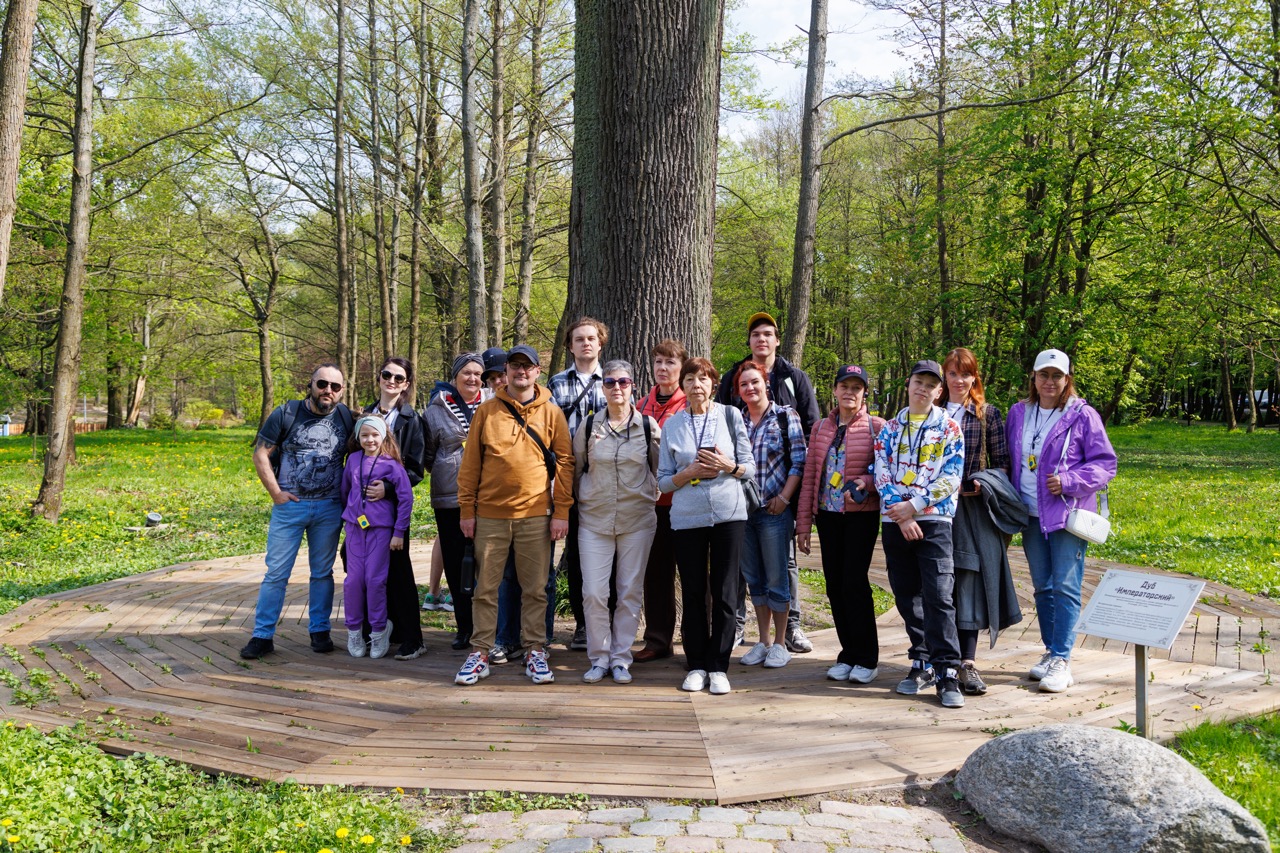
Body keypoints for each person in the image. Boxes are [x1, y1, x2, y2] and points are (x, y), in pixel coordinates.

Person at [455, 344, 574, 686]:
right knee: (485, 589)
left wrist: (561, 511)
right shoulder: (487, 412)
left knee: (536, 589)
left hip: (537, 515)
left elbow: (565, 462)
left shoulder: (551, 413)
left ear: (538, 372)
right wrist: (468, 509)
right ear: (505, 372)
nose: (521, 372)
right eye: (515, 367)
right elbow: (471, 464)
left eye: (528, 367)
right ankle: (480, 652)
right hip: (490, 516)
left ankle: (536, 649)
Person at [1007, 348, 1116, 694]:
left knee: (1066, 586)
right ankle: (1051, 650)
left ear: (1067, 379)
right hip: (1029, 514)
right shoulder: (1019, 414)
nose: (1049, 382)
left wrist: (1069, 481)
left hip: (1065, 515)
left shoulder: (1082, 415)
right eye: (1044, 375)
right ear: (1034, 378)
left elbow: (1104, 464)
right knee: (1042, 586)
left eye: (1057, 376)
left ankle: (1062, 660)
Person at [717, 312, 819, 653]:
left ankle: (790, 629)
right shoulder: (733, 378)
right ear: (749, 342)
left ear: (776, 340)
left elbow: (811, 430)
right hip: (741, 499)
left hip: (781, 493)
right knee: (746, 568)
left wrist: (792, 495)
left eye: (768, 334)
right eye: (755, 334)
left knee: (783, 565)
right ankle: (744, 630)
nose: (761, 339)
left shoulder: (793, 379)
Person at [241, 363, 354, 659]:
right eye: (322, 384)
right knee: (276, 573)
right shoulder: (285, 413)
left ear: (342, 391)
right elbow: (260, 454)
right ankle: (262, 635)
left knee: (322, 573)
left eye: (335, 386)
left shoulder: (344, 416)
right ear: (311, 385)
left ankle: (319, 630)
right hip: (290, 507)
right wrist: (276, 493)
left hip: (329, 507)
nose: (328, 390)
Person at [658, 357, 754, 696]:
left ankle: (719, 665)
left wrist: (727, 465)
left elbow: (749, 468)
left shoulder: (730, 415)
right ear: (681, 386)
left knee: (727, 593)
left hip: (729, 516)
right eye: (690, 379)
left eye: (703, 378)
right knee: (695, 592)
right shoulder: (671, 425)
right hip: (687, 519)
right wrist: (690, 473)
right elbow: (664, 483)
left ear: (713, 383)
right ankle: (697, 664)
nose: (696, 384)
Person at [874, 359, 966, 709]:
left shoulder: (949, 428)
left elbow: (951, 476)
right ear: (908, 384)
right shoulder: (890, 428)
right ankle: (922, 661)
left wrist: (915, 506)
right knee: (906, 593)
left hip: (935, 520)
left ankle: (947, 671)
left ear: (939, 391)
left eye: (931, 384)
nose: (923, 389)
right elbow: (881, 471)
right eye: (918, 382)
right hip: (895, 520)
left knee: (939, 595)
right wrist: (900, 513)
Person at [940, 347, 1023, 694]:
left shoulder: (986, 414)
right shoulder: (929, 413)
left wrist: (980, 481)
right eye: (953, 373)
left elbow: (1002, 462)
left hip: (971, 509)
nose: (959, 380)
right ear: (944, 376)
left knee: (969, 578)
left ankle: (967, 662)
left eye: (966, 374)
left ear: (975, 377)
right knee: (937, 581)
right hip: (932, 510)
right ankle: (936, 658)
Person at [796, 364, 885, 684]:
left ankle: (867, 657)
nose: (850, 392)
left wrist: (866, 481)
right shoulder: (821, 428)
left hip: (861, 516)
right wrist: (804, 524)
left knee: (854, 582)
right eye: (844, 386)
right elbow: (810, 478)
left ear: (864, 394)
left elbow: (886, 471)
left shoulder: (877, 426)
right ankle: (847, 654)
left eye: (856, 387)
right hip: (828, 516)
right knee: (834, 585)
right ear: (834, 390)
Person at [573, 360, 661, 684]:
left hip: (637, 520)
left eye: (623, 382)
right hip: (594, 521)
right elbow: (577, 468)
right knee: (594, 593)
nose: (617, 388)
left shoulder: (649, 427)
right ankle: (599, 658)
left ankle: (621, 658)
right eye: (610, 383)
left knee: (629, 592)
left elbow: (659, 469)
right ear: (603, 387)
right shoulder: (587, 427)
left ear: (633, 386)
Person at [735, 361, 806, 669]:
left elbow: (799, 462)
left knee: (778, 577)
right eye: (743, 385)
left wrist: (785, 497)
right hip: (742, 512)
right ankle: (763, 642)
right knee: (755, 578)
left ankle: (780, 643)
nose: (750, 388)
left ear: (766, 383)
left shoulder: (784, 416)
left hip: (774, 510)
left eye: (754, 382)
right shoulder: (735, 420)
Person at [548, 317, 610, 651]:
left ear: (600, 343)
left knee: (604, 551)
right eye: (579, 339)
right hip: (567, 478)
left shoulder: (614, 381)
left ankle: (606, 621)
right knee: (574, 555)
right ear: (570, 346)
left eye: (591, 338)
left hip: (605, 480)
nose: (586, 344)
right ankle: (583, 626)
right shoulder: (556, 383)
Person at [360, 357, 428, 660]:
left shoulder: (412, 420)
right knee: (360, 565)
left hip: (393, 510)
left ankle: (412, 636)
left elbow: (416, 468)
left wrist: (387, 488)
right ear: (379, 377)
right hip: (362, 512)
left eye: (399, 378)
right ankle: (379, 627)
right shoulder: (364, 414)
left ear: (407, 384)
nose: (391, 381)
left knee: (399, 570)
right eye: (387, 375)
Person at [422, 353, 486, 651]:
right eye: (466, 373)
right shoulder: (435, 409)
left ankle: (488, 626)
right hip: (449, 497)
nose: (472, 379)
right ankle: (464, 626)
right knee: (455, 561)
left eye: (477, 373)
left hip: (488, 497)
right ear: (455, 376)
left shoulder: (493, 403)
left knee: (487, 564)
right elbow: (428, 453)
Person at [633, 339, 689, 663]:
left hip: (683, 502)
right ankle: (657, 639)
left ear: (681, 369)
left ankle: (695, 637)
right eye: (658, 362)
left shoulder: (688, 406)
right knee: (655, 574)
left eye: (670, 363)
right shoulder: (641, 406)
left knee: (695, 574)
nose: (663, 368)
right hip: (649, 506)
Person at [340, 416, 414, 659]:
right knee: (353, 582)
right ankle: (354, 630)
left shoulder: (392, 465)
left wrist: (398, 532)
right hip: (355, 529)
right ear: (358, 438)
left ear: (383, 436)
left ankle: (380, 630)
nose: (369, 439)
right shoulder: (352, 460)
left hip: (381, 531)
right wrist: (350, 517)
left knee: (375, 580)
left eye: (374, 435)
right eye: (364, 435)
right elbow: (345, 491)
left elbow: (406, 499)